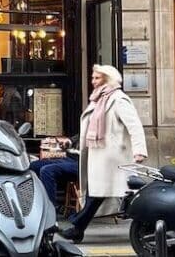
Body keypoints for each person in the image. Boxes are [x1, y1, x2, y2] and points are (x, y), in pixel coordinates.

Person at [58, 64, 147, 243]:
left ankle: (77, 226)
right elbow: (89, 128)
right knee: (98, 193)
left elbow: (134, 125)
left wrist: (139, 150)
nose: (93, 81)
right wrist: (72, 141)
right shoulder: (98, 99)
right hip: (98, 157)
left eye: (97, 78)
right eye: (93, 78)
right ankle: (77, 227)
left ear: (107, 79)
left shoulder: (118, 99)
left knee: (99, 194)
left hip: (112, 157)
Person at [29, 135, 79, 212]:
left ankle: (50, 209)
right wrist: (68, 142)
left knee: (47, 170)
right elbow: (78, 136)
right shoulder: (86, 126)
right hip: (70, 158)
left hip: (81, 163)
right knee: (33, 166)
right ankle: (34, 205)